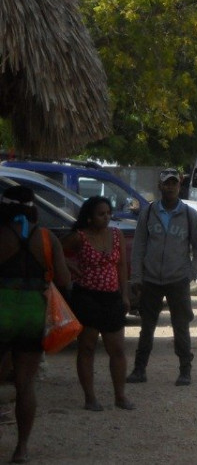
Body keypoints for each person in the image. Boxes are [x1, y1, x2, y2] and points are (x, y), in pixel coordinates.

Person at [0, 186, 71, 464]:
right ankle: (22, 449)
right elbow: (63, 280)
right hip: (33, 313)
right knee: (25, 384)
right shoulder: (46, 237)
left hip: (2, 309)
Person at [128, 169, 197, 387]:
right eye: (166, 184)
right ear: (160, 186)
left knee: (181, 326)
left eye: (174, 184)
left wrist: (192, 273)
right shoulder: (149, 211)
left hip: (177, 279)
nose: (170, 187)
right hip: (151, 279)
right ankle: (139, 369)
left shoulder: (189, 214)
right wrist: (137, 276)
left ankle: (185, 370)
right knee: (147, 326)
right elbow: (139, 246)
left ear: (179, 187)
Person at [61, 197, 134, 412]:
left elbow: (121, 266)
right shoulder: (80, 237)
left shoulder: (116, 235)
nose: (107, 217)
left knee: (117, 349)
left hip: (111, 297)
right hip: (86, 297)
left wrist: (125, 294)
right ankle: (90, 397)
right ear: (90, 217)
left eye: (108, 213)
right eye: (101, 214)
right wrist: (69, 266)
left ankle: (120, 396)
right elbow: (54, 249)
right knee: (87, 347)